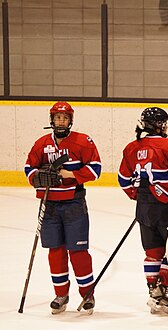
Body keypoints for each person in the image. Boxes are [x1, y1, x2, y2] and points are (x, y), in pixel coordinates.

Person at [24, 101, 102, 315]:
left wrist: (71, 175)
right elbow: (28, 168)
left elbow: (96, 169)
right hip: (49, 205)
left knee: (78, 251)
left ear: (70, 120)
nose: (61, 121)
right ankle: (61, 294)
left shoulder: (82, 141)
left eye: (65, 118)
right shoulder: (41, 144)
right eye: (58, 118)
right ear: (52, 120)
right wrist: (38, 177)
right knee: (55, 251)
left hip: (74, 204)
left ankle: (87, 294)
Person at [118, 107, 168, 315]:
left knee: (152, 252)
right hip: (166, 207)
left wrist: (136, 195)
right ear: (160, 126)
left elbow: (123, 180)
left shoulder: (131, 147)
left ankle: (153, 290)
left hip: (143, 206)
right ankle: (163, 287)